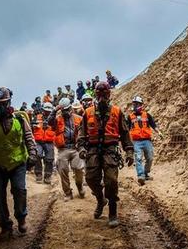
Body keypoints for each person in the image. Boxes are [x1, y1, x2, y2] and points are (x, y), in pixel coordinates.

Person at [0, 87, 38, 241]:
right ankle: (5, 226)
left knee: (19, 189)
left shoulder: (20, 120)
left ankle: (21, 218)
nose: (1, 106)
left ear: (9, 102)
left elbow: (29, 138)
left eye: (4, 103)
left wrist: (33, 155)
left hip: (18, 163)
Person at [77, 81, 134, 227]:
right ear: (96, 95)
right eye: (99, 94)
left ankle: (112, 212)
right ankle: (100, 200)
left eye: (104, 94)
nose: (102, 97)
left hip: (110, 150)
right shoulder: (88, 112)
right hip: (93, 150)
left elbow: (125, 132)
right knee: (90, 178)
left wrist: (129, 151)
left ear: (109, 94)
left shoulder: (117, 111)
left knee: (111, 181)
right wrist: (82, 148)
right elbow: (82, 133)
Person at [48, 97, 85, 201]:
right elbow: (49, 122)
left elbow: (84, 132)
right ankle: (68, 193)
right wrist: (54, 110)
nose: (66, 112)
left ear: (71, 108)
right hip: (63, 149)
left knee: (78, 169)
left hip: (75, 148)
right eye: (63, 110)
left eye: (67, 109)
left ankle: (80, 186)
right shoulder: (57, 119)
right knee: (63, 170)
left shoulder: (78, 118)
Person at [128, 96, 163, 185]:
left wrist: (159, 133)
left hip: (147, 140)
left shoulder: (147, 115)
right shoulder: (130, 117)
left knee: (150, 158)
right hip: (136, 141)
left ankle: (145, 173)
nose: (135, 106)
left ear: (141, 105)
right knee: (138, 158)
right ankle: (141, 176)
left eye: (137, 104)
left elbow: (153, 125)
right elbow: (126, 129)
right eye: (134, 104)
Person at [31, 102, 56, 184]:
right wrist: (34, 125)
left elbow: (57, 128)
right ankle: (38, 174)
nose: (47, 112)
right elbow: (30, 126)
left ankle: (48, 176)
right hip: (38, 141)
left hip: (49, 141)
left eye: (49, 111)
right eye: (46, 110)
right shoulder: (37, 117)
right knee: (37, 155)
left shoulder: (54, 119)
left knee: (49, 158)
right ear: (43, 110)